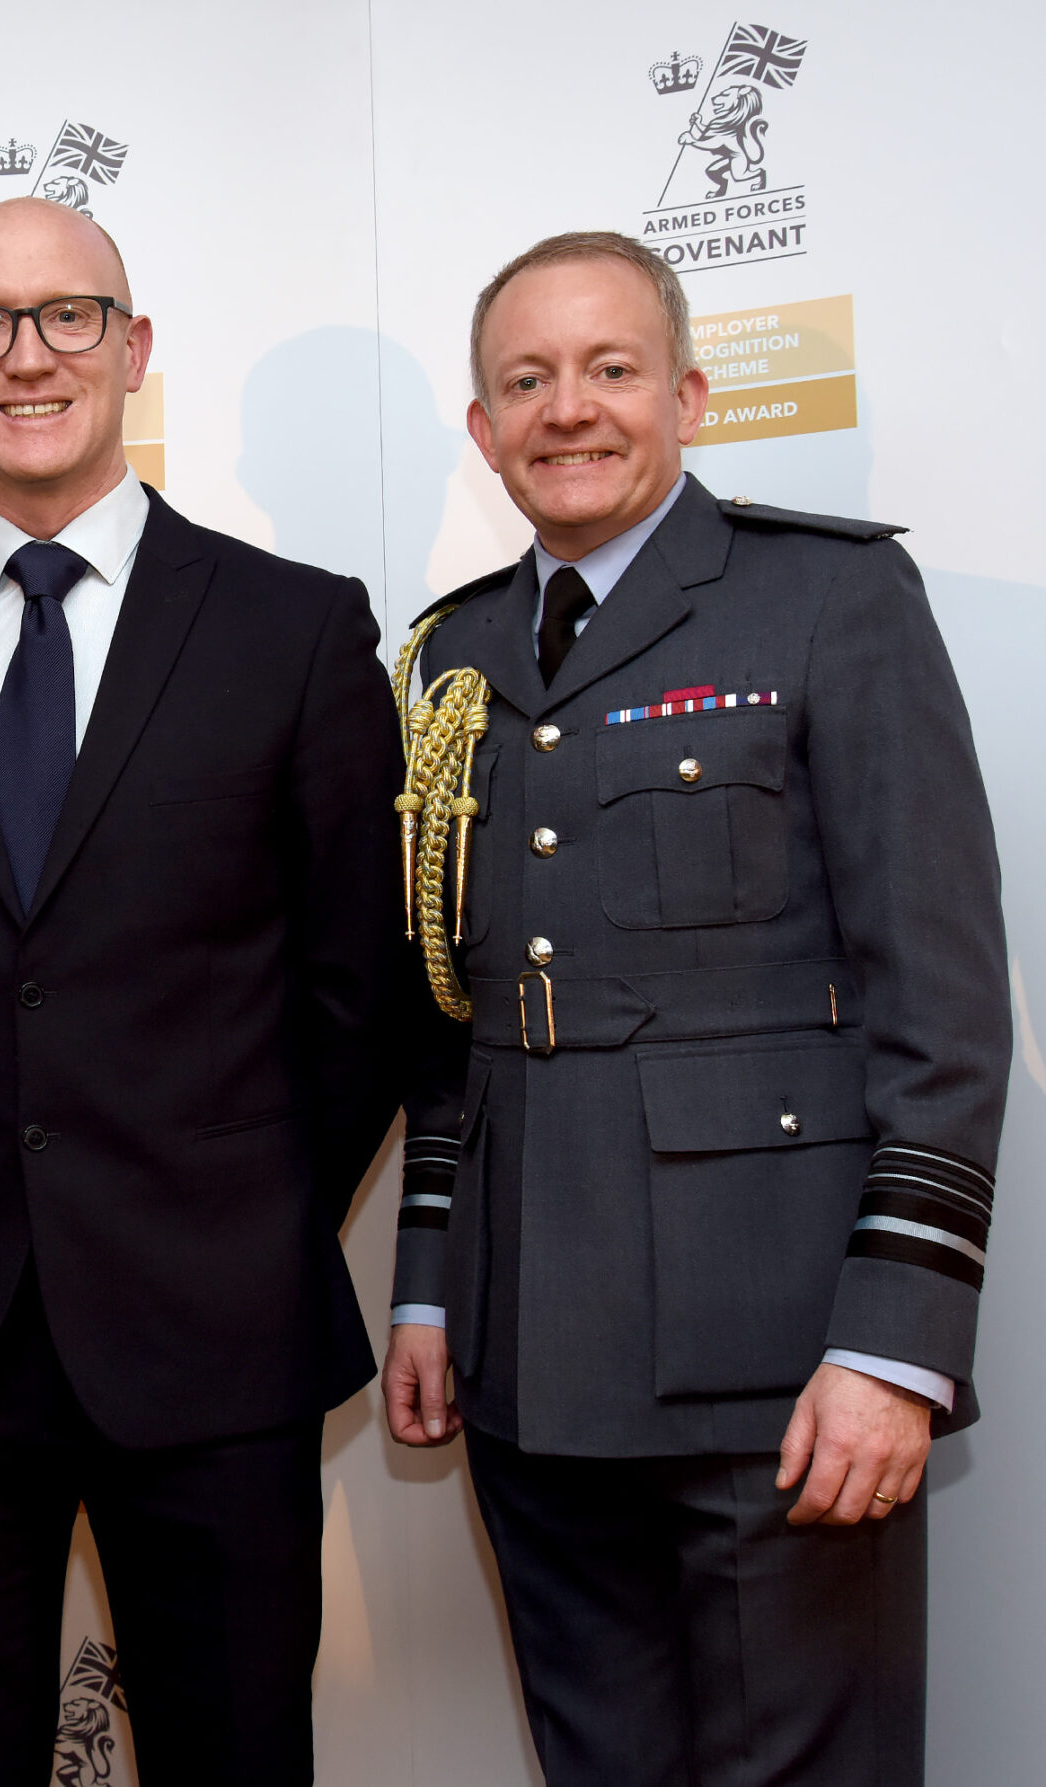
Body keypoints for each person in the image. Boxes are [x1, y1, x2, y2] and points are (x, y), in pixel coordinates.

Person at [0, 197, 405, 1784]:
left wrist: (240, 1211)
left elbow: (361, 995)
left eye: (68, 316)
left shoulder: (296, 629)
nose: (28, 356)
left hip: (217, 1343)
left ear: (134, 349)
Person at [383, 230, 1009, 1786]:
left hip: (781, 1363)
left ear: (690, 395)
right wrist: (430, 1289)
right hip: (528, 1360)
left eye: (610, 368)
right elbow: (454, 1013)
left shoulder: (830, 599)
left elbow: (942, 1009)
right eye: (527, 380)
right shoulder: (452, 657)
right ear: (483, 429)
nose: (568, 409)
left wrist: (897, 1346)